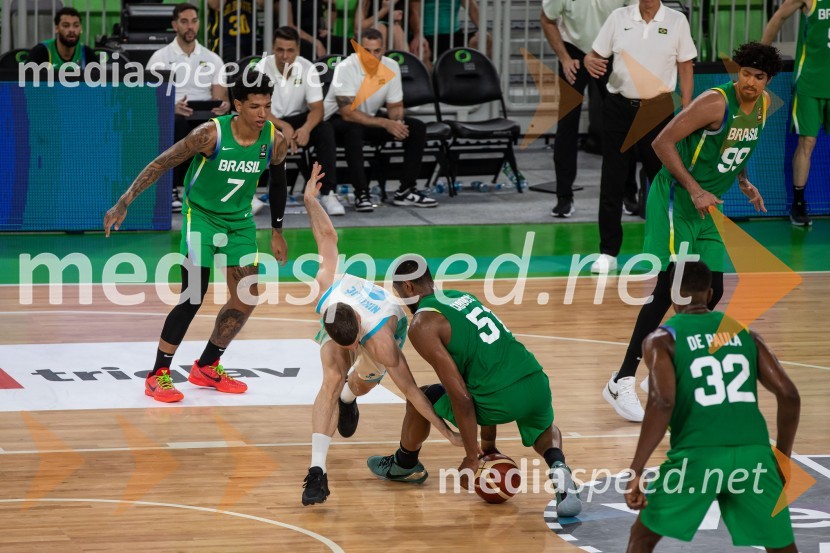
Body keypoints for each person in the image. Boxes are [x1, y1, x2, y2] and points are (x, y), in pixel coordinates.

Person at [602, 42, 781, 422]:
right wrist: (695, 189)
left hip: (708, 206)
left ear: (769, 81)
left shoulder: (764, 106)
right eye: (745, 74)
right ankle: (622, 379)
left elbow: (739, 145)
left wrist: (744, 182)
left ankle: (661, 367)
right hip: (677, 200)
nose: (749, 82)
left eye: (758, 77)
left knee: (711, 290)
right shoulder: (715, 102)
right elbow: (661, 142)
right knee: (670, 289)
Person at [104, 71, 288, 404]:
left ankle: (207, 366)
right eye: (255, 106)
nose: (262, 113)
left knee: (246, 296)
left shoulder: (275, 139)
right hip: (201, 218)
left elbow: (278, 182)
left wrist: (277, 230)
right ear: (237, 106)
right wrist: (125, 200)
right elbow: (162, 163)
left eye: (267, 106)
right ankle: (158, 373)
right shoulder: (209, 134)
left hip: (239, 222)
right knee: (192, 296)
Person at [365, 256, 582, 517]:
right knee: (543, 430)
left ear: (408, 287)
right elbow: (482, 368)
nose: (401, 297)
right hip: (535, 382)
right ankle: (558, 466)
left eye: (399, 291)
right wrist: (487, 446)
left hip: (498, 397)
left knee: (422, 397)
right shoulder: (461, 297)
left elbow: (461, 396)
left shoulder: (422, 325)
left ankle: (404, 463)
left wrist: (471, 457)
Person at [300, 163, 460, 506]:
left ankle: (349, 398)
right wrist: (310, 200)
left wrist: (449, 434)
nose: (352, 348)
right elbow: (327, 237)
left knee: (360, 384)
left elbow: (412, 392)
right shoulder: (326, 289)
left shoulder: (382, 342)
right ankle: (316, 471)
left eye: (353, 343)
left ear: (359, 325)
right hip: (346, 326)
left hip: (381, 329)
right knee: (331, 379)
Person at [624, 261, 800, 553]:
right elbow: (789, 395)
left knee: (642, 537)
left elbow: (662, 401)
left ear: (673, 294)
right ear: (708, 294)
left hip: (697, 455)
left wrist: (636, 469)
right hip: (753, 456)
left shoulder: (661, 339)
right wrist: (782, 457)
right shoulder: (745, 334)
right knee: (782, 548)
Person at [584, 0, 696, 274]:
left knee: (662, 182)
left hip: (658, 110)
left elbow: (685, 66)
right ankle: (608, 252)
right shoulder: (618, 17)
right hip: (618, 108)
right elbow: (594, 54)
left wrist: (687, 110)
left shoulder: (677, 21)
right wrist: (588, 60)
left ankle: (666, 251)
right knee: (612, 181)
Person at [323, 28, 436, 211]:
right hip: (335, 121)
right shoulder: (345, 68)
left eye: (377, 51)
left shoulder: (391, 66)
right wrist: (386, 123)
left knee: (416, 128)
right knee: (353, 129)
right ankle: (361, 194)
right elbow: (347, 113)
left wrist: (397, 122)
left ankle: (406, 191)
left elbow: (395, 105)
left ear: (383, 49)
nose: (372, 56)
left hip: (368, 119)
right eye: (367, 51)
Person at [541, 0, 630, 218]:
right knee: (567, 124)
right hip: (574, 52)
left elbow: (636, 17)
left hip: (610, 52)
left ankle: (628, 195)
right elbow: (547, 18)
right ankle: (563, 197)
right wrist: (564, 58)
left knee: (622, 125)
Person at [147, 2, 231, 212]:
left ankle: (216, 190)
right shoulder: (160, 58)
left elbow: (220, 97)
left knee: (220, 125)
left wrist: (223, 107)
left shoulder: (213, 59)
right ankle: (172, 190)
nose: (190, 26)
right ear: (175, 25)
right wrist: (171, 107)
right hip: (174, 115)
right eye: (184, 22)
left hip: (204, 115)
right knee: (177, 123)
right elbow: (150, 99)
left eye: (193, 21)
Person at [254, 26, 342, 215]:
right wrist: (283, 127)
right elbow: (258, 108)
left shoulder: (308, 68)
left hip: (297, 120)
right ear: (273, 48)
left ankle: (327, 193)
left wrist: (306, 129)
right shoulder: (261, 69)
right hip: (267, 120)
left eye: (290, 50)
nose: (285, 56)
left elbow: (317, 108)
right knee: (248, 125)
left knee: (325, 129)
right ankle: (246, 195)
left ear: (298, 50)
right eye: (280, 50)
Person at [762, 0, 829, 227]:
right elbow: (780, 16)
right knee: (807, 142)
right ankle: (798, 204)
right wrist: (761, 56)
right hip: (810, 83)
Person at [28, 7, 96, 69]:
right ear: (57, 29)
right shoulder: (41, 51)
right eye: (66, 25)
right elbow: (26, 77)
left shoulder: (87, 53)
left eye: (76, 25)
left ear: (81, 29)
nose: (72, 30)